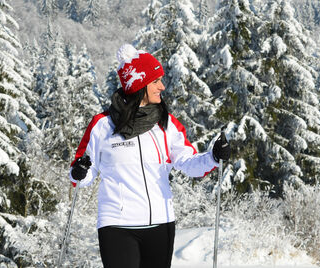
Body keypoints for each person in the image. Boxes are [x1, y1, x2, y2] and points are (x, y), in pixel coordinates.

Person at [69, 44, 237, 268]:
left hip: (160, 223)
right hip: (117, 226)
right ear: (139, 84)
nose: (162, 86)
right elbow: (83, 174)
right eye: (156, 81)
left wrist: (213, 157)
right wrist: (79, 171)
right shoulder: (103, 125)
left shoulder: (166, 125)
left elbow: (188, 162)